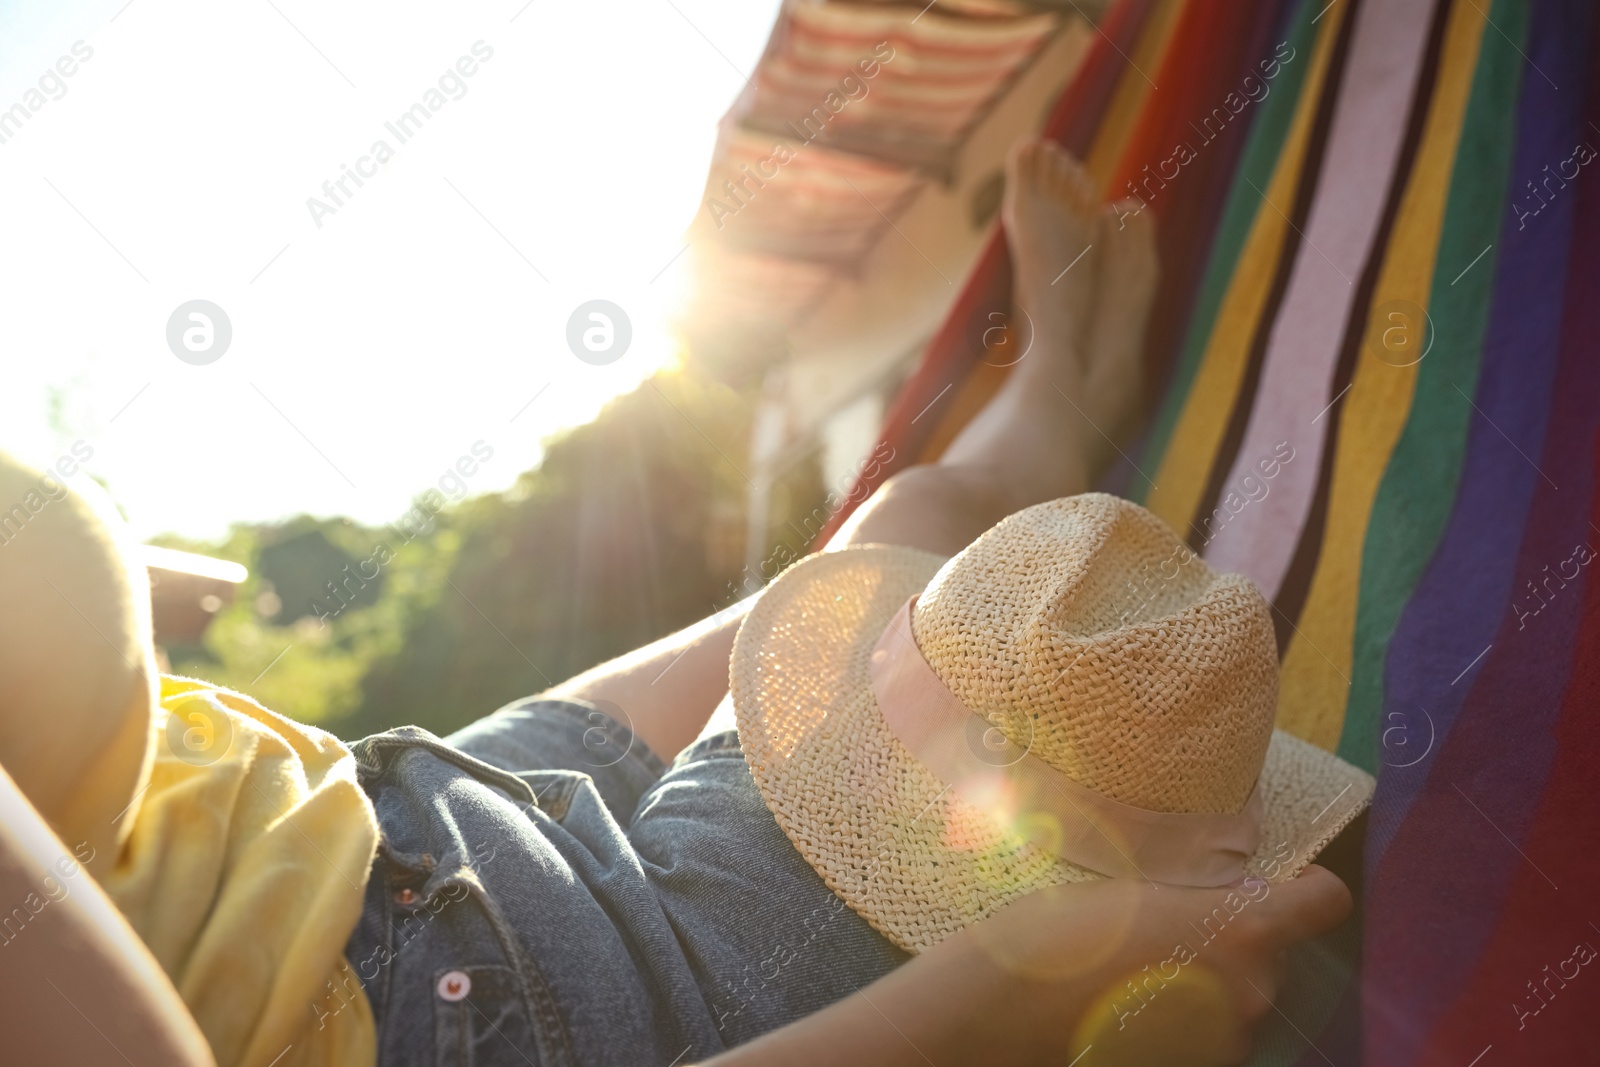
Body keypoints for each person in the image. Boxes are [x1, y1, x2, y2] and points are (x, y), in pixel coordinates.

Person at [0, 139, 1356, 1067]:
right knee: (917, 552)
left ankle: (1058, 396)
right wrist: (1014, 991)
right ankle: (1058, 393)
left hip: (350, 806)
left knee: (897, 539)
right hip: (464, 987)